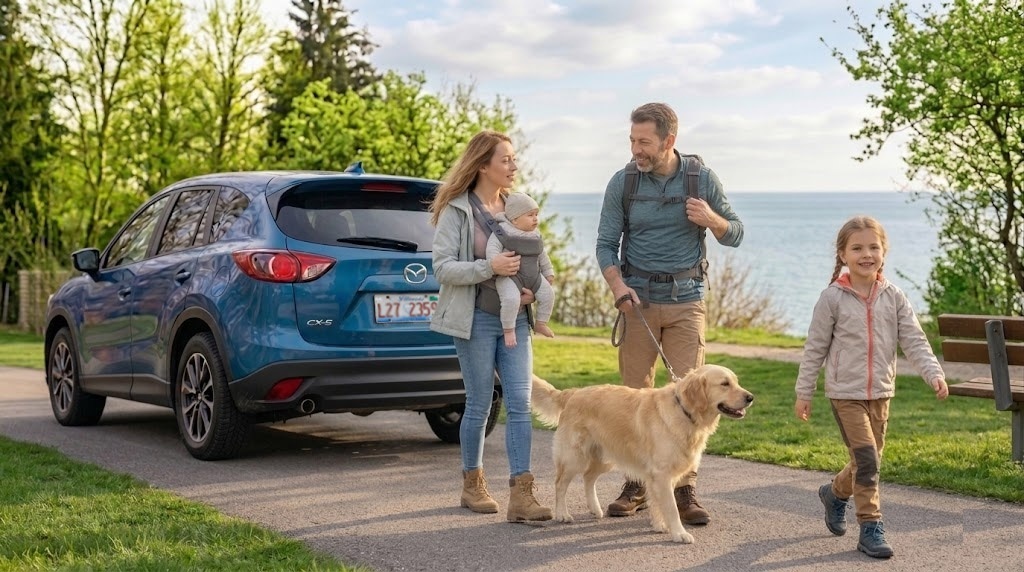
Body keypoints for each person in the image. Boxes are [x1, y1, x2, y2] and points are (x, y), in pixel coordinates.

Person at [595, 102, 744, 525]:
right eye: (632, 140)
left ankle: (685, 491)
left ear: (669, 141)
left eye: (644, 142)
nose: (636, 149)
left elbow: (736, 232)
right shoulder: (622, 183)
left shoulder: (700, 179)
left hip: (687, 300)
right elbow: (606, 244)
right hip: (636, 300)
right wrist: (618, 287)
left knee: (693, 397)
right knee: (634, 397)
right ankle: (636, 484)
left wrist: (712, 219)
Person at [794, 215, 949, 559]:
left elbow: (914, 340)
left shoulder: (893, 296)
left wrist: (933, 373)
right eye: (857, 248)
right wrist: (804, 392)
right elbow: (815, 348)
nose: (867, 254)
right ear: (843, 254)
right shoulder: (832, 298)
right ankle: (870, 526)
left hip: (881, 392)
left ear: (884, 252)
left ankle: (835, 494)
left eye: (874, 247)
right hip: (845, 394)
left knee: (868, 461)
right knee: (867, 460)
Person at [429, 130, 553, 523]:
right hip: (476, 320)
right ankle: (472, 485)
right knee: (481, 404)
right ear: (483, 165)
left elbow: (535, 258)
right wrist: (489, 267)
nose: (514, 166)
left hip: (516, 319)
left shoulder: (516, 208)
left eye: (514, 160)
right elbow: (442, 267)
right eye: (506, 160)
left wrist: (533, 290)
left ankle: (522, 495)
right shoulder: (456, 210)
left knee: (519, 404)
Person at [485, 191, 556, 347]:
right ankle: (509, 329)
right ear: (515, 220)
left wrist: (548, 272)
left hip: (534, 277)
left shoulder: (535, 235)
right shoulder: (502, 232)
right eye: (530, 215)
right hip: (510, 277)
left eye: (536, 214)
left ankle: (541, 323)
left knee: (549, 294)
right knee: (511, 299)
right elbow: (492, 251)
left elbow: (542, 256)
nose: (535, 219)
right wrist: (495, 263)